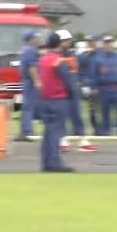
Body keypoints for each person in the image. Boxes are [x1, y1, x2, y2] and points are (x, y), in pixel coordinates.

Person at [37, 32, 76, 173]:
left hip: (45, 99)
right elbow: (67, 80)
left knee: (47, 132)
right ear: (59, 43)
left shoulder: (43, 59)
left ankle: (46, 161)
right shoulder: (58, 60)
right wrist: (72, 94)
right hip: (58, 99)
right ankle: (55, 162)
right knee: (56, 132)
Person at [55, 30, 97, 153]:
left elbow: (77, 70)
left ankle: (82, 140)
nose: (67, 43)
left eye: (68, 40)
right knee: (62, 116)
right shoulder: (56, 56)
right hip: (61, 90)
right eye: (64, 41)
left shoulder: (72, 55)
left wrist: (81, 83)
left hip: (73, 89)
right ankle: (63, 140)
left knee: (77, 115)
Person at [94, 35, 117, 136]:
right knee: (105, 113)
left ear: (113, 44)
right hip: (104, 89)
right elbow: (94, 74)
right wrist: (94, 87)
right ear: (104, 44)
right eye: (106, 43)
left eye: (110, 42)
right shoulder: (98, 59)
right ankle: (106, 132)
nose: (109, 45)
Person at [15, 30, 41, 142]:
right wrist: (37, 81)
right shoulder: (30, 50)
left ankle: (23, 131)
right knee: (29, 107)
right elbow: (32, 68)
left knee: (26, 106)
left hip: (25, 80)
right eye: (35, 37)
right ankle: (27, 131)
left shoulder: (24, 50)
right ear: (31, 39)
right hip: (29, 81)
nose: (37, 39)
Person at [77, 35, 101, 136]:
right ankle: (90, 130)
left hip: (99, 86)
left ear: (95, 42)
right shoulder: (82, 56)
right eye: (89, 41)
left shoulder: (100, 55)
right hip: (87, 86)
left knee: (99, 110)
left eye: (92, 41)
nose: (90, 43)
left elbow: (102, 72)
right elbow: (79, 71)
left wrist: (97, 87)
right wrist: (82, 83)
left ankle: (100, 130)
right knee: (89, 110)